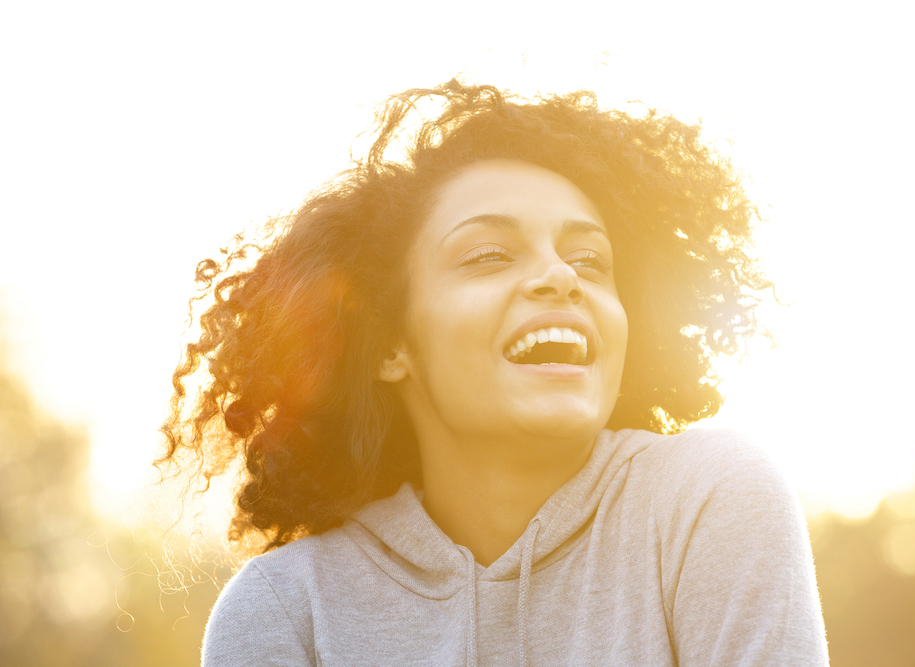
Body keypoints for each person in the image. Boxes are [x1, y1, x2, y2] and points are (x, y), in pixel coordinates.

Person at [159, 80, 829, 666]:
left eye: (591, 260)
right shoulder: (285, 610)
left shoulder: (709, 502)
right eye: (488, 255)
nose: (560, 276)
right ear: (391, 342)